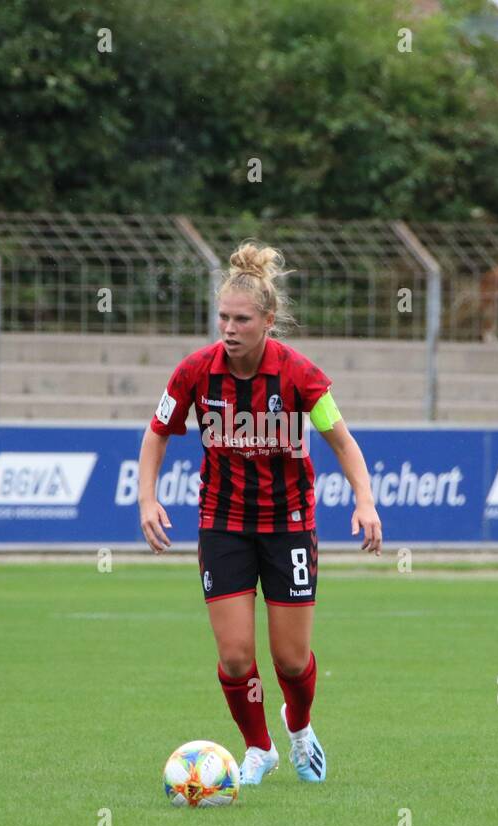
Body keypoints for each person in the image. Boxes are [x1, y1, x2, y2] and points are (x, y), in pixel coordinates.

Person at [137, 240, 383, 786]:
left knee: (291, 660)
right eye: (223, 317)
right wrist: (147, 497)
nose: (229, 328)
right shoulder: (195, 373)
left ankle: (299, 728)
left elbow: (342, 441)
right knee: (233, 656)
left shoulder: (299, 376)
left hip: (289, 525)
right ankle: (258, 748)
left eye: (241, 319)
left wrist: (364, 499)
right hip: (222, 522)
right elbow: (157, 433)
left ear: (267, 321)